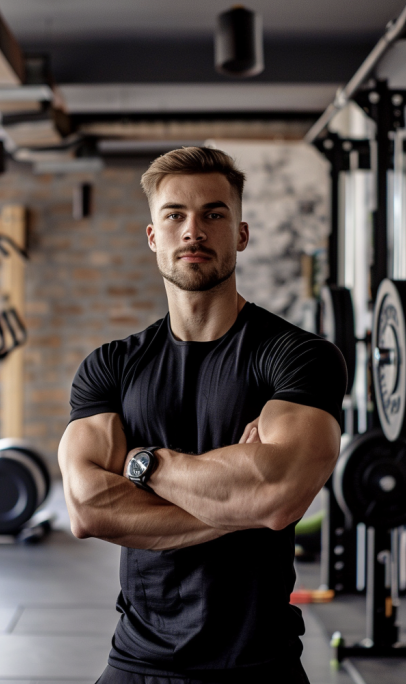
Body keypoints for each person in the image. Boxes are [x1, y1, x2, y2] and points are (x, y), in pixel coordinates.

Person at [58, 146, 346, 684]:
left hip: (259, 665)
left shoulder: (298, 357)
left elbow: (278, 496)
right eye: (175, 215)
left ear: (240, 233)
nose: (194, 231)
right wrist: (240, 494)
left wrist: (144, 465)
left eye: (214, 214)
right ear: (153, 236)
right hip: (136, 661)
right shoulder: (111, 367)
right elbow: (87, 508)